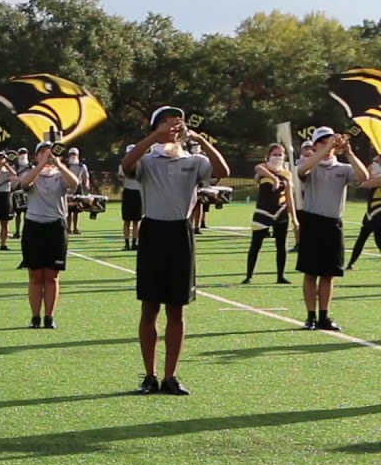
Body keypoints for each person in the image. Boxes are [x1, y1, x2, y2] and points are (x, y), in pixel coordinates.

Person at [123, 106, 229, 396]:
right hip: (153, 231)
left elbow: (223, 172)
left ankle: (171, 376)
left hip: (181, 233)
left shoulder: (193, 160)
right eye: (167, 124)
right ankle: (149, 375)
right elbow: (127, 165)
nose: (173, 128)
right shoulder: (147, 158)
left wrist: (202, 140)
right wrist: (154, 137)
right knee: (149, 307)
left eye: (176, 124)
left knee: (177, 309)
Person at [295, 128, 371, 331]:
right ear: (315, 145)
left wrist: (349, 152)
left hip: (333, 224)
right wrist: (326, 148)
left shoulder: (343, 168)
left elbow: (363, 177)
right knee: (310, 273)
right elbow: (301, 171)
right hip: (312, 222)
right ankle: (310, 316)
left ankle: (324, 316)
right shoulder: (309, 165)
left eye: (329, 141)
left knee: (329, 274)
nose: (327, 145)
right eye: (322, 142)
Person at [18, 143, 79, 328]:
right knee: (35, 275)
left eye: (49, 153)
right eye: (42, 153)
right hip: (34, 226)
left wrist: (59, 164)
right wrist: (41, 164)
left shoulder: (60, 175)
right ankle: (35, 317)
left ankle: (49, 317)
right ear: (36, 156)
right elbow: (24, 184)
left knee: (52, 275)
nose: (47, 156)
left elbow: (74, 184)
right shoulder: (32, 173)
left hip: (56, 227)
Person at [242, 143, 297, 284]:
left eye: (280, 154)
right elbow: (258, 168)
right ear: (268, 156)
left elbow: (290, 196)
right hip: (263, 211)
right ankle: (249, 276)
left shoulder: (287, 173)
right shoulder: (263, 168)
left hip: (281, 212)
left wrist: (294, 219)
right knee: (256, 244)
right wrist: (274, 179)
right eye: (275, 154)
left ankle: (280, 276)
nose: (278, 157)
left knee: (281, 245)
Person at [346, 152, 381, 270]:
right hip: (371, 211)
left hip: (379, 210)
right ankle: (350, 263)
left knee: (378, 239)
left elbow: (365, 184)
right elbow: (363, 175)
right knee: (362, 237)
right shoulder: (374, 167)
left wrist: (360, 184)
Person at [118, 144, 142, 251]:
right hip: (128, 191)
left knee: (137, 220)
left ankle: (134, 243)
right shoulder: (123, 165)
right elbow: (121, 177)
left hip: (137, 192)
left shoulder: (141, 165)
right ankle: (127, 243)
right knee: (127, 220)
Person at [64, 147, 91, 235]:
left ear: (78, 155)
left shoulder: (82, 166)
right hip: (67, 188)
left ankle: (76, 228)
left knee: (77, 209)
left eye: (74, 154)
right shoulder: (66, 165)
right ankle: (68, 228)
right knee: (68, 209)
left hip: (78, 188)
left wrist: (86, 184)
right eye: (71, 154)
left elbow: (86, 177)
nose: (73, 156)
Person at [11, 147, 30, 239]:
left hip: (28, 190)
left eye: (24, 153)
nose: (23, 155)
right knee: (17, 214)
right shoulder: (16, 166)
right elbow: (12, 178)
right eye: (21, 153)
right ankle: (17, 231)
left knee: (27, 213)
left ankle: (26, 232)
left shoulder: (30, 166)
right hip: (17, 190)